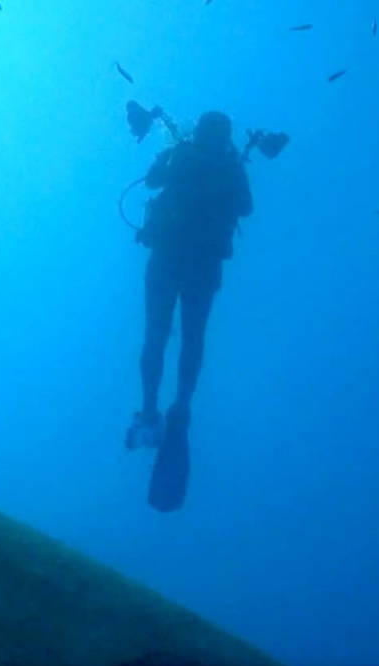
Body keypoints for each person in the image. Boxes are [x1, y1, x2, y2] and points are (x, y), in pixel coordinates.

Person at [125, 111, 253, 449]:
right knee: (192, 338)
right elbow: (246, 207)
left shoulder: (182, 153)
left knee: (157, 335)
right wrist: (233, 167)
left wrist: (170, 155)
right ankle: (180, 407)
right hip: (203, 265)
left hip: (168, 258)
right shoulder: (227, 164)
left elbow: (151, 181)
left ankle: (150, 412)